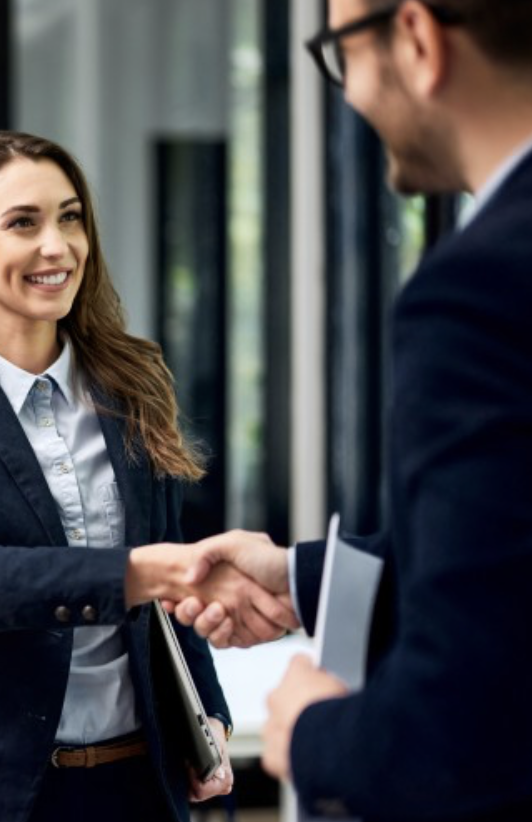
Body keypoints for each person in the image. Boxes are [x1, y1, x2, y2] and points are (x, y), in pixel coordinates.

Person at [0, 131, 297, 822]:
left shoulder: (133, 380)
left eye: (71, 217)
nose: (57, 246)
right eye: (24, 222)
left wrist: (208, 721)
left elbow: (176, 599)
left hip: (131, 778)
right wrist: (139, 572)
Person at [169, 1, 532, 819]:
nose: (349, 95)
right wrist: (304, 579)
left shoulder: (475, 294)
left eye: (342, 54)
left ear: (417, 39)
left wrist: (312, 730)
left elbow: (460, 738)